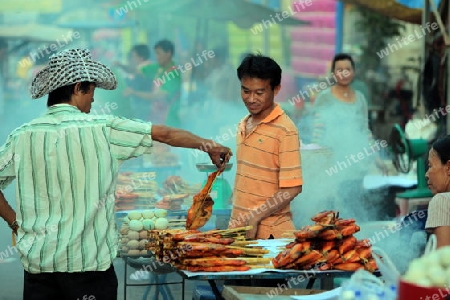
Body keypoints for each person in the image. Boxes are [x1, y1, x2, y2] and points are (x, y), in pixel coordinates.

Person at [0, 48, 231, 300]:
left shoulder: (21, 136)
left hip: (39, 267)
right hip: (89, 267)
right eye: (92, 92)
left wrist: (15, 223)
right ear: (79, 88)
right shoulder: (103, 128)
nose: (93, 101)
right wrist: (209, 145)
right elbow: (163, 133)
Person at [228, 53, 303, 240]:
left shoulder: (285, 130)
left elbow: (292, 188)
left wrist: (256, 216)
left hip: (272, 235)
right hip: (239, 229)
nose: (251, 99)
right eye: (246, 91)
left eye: (259, 93)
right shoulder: (243, 124)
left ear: (276, 89)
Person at [311, 53, 387, 219]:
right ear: (333, 74)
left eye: (347, 69)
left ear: (354, 72)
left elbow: (365, 131)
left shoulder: (360, 99)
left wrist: (377, 159)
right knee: (333, 214)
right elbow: (318, 132)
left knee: (353, 214)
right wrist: (316, 162)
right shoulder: (324, 98)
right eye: (339, 70)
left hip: (356, 167)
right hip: (332, 166)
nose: (344, 73)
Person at [124, 40, 182, 127]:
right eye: (156, 54)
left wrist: (134, 93)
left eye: (159, 53)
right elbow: (135, 70)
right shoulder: (158, 68)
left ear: (168, 53)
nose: (157, 57)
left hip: (169, 122)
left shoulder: (173, 74)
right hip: (156, 119)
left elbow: (158, 96)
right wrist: (119, 65)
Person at [425, 136, 450, 248]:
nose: (426, 174)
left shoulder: (442, 201)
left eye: (430, 166)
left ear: (448, 167)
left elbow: (442, 262)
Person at [115, 44, 152, 120]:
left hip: (146, 112)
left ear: (141, 58)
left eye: (131, 56)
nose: (129, 59)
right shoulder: (146, 69)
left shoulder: (145, 71)